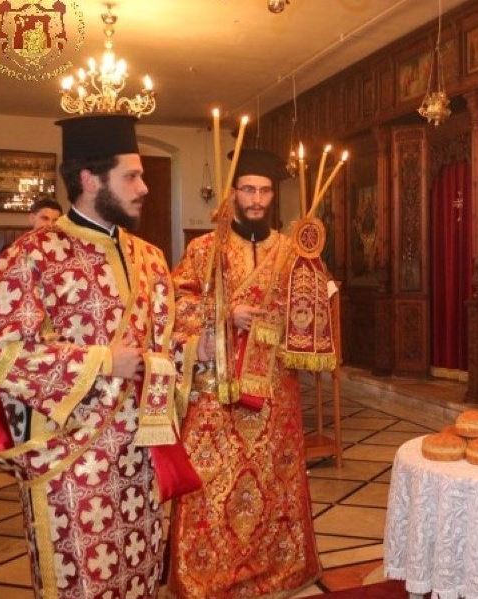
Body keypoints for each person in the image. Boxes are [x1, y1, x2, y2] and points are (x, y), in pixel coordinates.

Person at [0, 114, 200, 599]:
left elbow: (166, 345)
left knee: (143, 572)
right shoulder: (32, 256)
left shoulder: (150, 257)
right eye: (131, 175)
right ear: (89, 180)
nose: (144, 187)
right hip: (73, 461)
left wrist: (199, 351)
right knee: (84, 580)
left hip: (141, 455)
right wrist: (103, 361)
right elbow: (3, 354)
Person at [168, 148, 320, 598]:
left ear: (274, 195)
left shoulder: (292, 253)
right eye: (248, 189)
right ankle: (210, 572)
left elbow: (307, 313)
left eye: (265, 190)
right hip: (217, 389)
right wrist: (224, 314)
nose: (256, 199)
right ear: (234, 192)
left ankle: (275, 568)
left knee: (274, 482)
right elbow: (176, 305)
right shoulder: (203, 249)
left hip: (274, 388)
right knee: (211, 481)